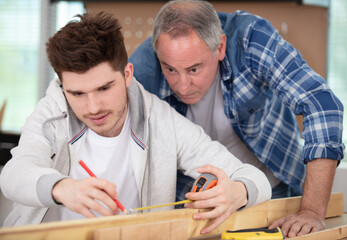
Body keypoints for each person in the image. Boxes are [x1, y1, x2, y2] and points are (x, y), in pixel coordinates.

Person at [0, 12, 271, 234]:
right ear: (63, 87)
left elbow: (255, 178)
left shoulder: (163, 121)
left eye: (104, 88)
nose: (93, 107)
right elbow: (12, 175)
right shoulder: (51, 113)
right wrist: (61, 187)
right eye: (77, 94)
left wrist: (239, 191)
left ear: (127, 74)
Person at [128, 0, 345, 237]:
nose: (182, 85)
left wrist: (312, 211)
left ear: (220, 47)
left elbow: (322, 106)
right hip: (197, 203)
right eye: (170, 69)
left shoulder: (250, 39)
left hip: (274, 191)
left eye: (194, 69)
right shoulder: (141, 70)